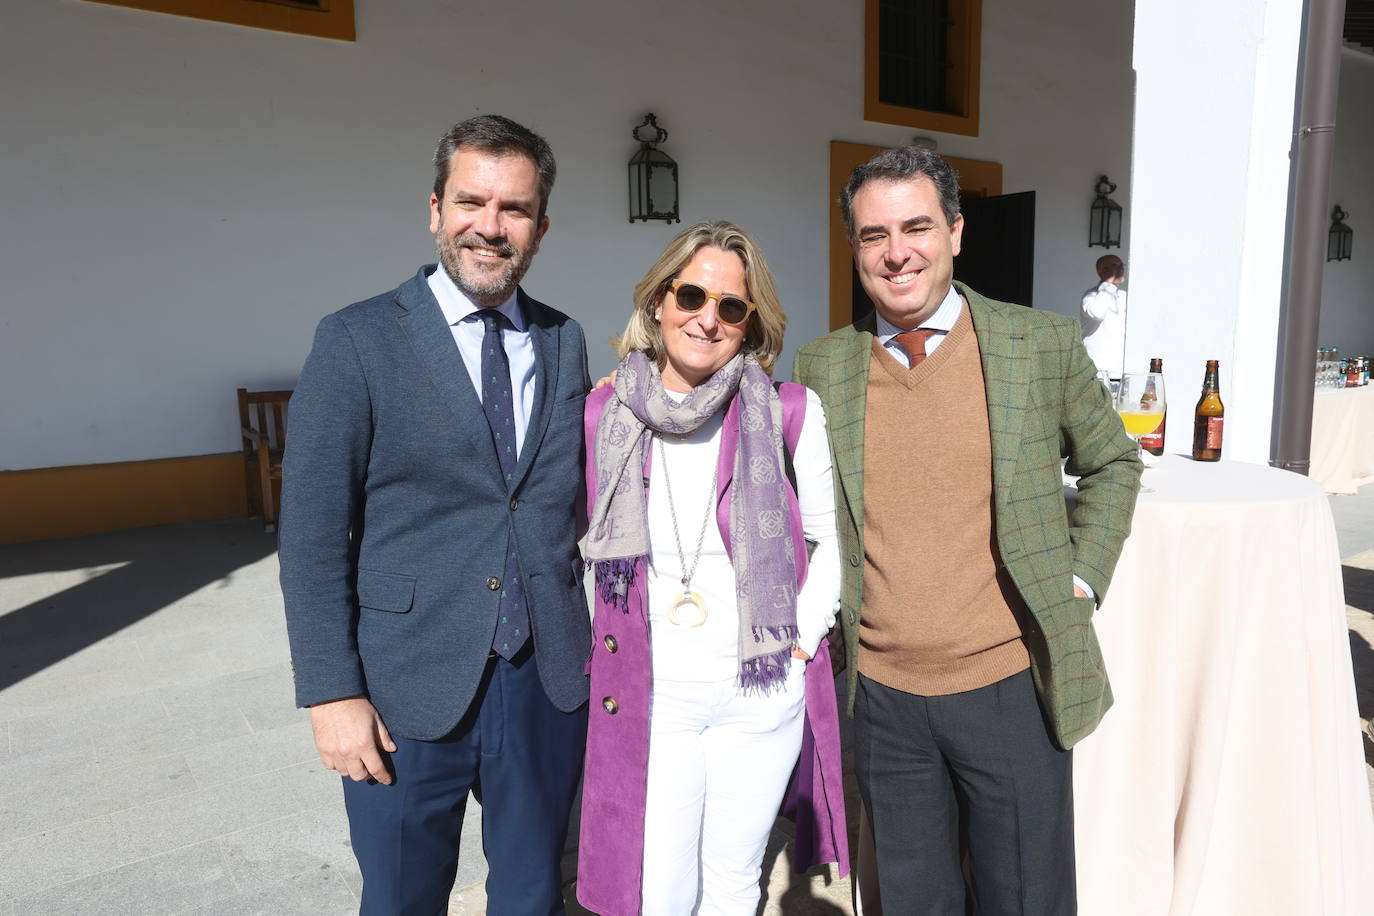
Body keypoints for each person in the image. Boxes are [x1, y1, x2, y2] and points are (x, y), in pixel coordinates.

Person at [793, 147, 1142, 914]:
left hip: (1009, 684)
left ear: (955, 230)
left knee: (1027, 896)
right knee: (914, 902)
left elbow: (1115, 462)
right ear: (854, 247)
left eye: (916, 226)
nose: (895, 252)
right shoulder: (823, 367)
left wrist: (1079, 578)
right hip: (882, 697)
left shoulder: (1039, 345)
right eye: (872, 234)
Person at [278, 114, 592, 915]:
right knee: (402, 900)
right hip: (402, 692)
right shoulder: (357, 340)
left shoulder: (564, 341)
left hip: (542, 682)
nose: (490, 227)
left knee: (532, 898)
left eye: (514, 209)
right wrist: (330, 694)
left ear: (541, 227)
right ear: (434, 209)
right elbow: (311, 536)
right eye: (471, 202)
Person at [576, 220, 849, 915]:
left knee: (731, 881)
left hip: (759, 688)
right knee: (660, 886)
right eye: (692, 295)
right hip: (657, 688)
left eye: (731, 306)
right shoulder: (607, 410)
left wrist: (803, 639)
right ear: (659, 301)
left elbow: (831, 540)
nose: (708, 319)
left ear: (750, 322)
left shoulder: (789, 410)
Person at [1081, 253, 1128, 380]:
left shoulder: (1125, 296)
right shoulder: (1090, 295)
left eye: (1121, 265)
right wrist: (1109, 284)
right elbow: (1097, 313)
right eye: (1114, 265)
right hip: (1097, 372)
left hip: (1122, 372)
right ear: (1101, 271)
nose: (1120, 269)